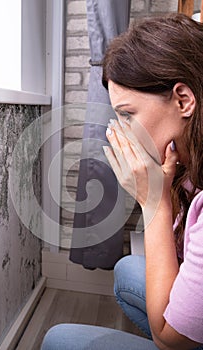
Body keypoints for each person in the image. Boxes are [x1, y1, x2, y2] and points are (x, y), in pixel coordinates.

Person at [41, 14, 203, 350]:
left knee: (59, 340)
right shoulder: (187, 165)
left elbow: (169, 338)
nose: (123, 131)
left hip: (174, 340)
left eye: (129, 114)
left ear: (183, 100)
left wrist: (153, 201)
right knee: (129, 268)